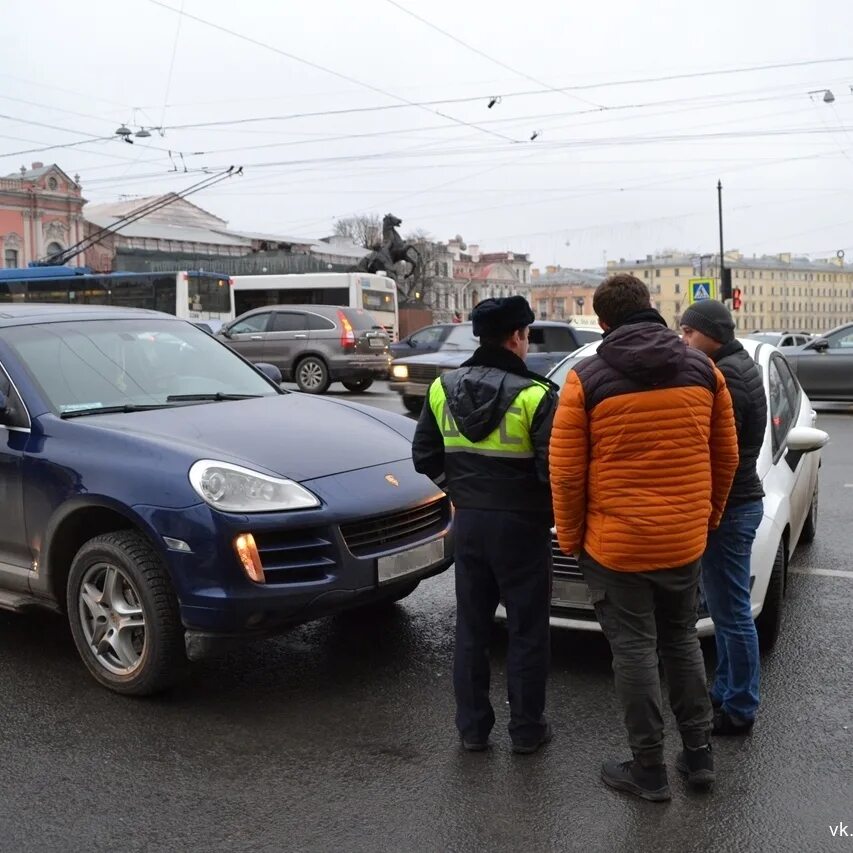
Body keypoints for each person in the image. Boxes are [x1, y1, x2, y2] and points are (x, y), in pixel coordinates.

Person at [549, 274, 739, 801]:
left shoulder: (586, 378)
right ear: (651, 307)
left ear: (603, 321)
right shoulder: (704, 370)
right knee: (682, 641)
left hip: (616, 546)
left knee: (633, 651)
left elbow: (565, 473)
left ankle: (649, 769)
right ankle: (699, 757)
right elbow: (726, 454)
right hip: (682, 539)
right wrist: (709, 514)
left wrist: (569, 537)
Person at [412, 296, 558, 754]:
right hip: (521, 529)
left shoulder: (441, 388)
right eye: (527, 335)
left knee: (472, 629)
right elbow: (550, 472)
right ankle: (527, 731)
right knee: (527, 630)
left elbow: (424, 458)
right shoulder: (536, 395)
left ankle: (473, 730)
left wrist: (459, 494)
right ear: (516, 336)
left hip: (469, 524)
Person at [681, 299, 767, 736]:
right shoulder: (737, 364)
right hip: (740, 502)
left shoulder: (727, 375)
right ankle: (727, 690)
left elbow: (716, 451)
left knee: (731, 612)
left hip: (731, 507)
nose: (684, 340)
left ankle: (740, 707)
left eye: (690, 334)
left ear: (714, 333)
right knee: (724, 606)